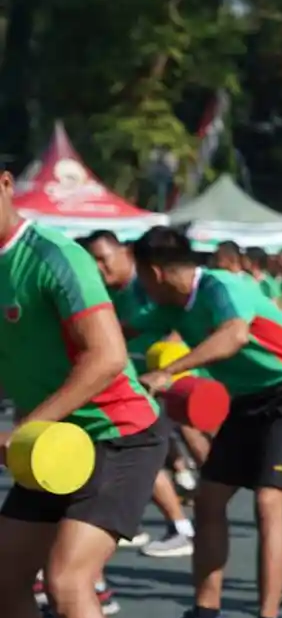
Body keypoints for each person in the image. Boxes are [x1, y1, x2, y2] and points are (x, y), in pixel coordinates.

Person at [127, 227, 282, 618]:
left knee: (269, 502)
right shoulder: (170, 306)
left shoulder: (219, 285)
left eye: (138, 277)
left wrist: (169, 371)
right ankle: (206, 617)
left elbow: (234, 335)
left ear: (154, 272)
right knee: (209, 499)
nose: (138, 287)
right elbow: (121, 329)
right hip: (246, 400)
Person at [0, 177, 167, 618]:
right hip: (52, 444)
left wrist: (28, 425)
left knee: (68, 584)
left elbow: (109, 356)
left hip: (118, 434)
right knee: (5, 583)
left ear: (5, 183)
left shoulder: (53, 255)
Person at [82, 230, 198, 559]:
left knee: (146, 449)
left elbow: (177, 320)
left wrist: (167, 365)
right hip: (128, 381)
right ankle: (180, 493)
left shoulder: (147, 286)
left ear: (126, 255)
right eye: (93, 261)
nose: (99, 267)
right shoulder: (111, 292)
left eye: (104, 259)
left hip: (156, 379)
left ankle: (183, 521)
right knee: (145, 451)